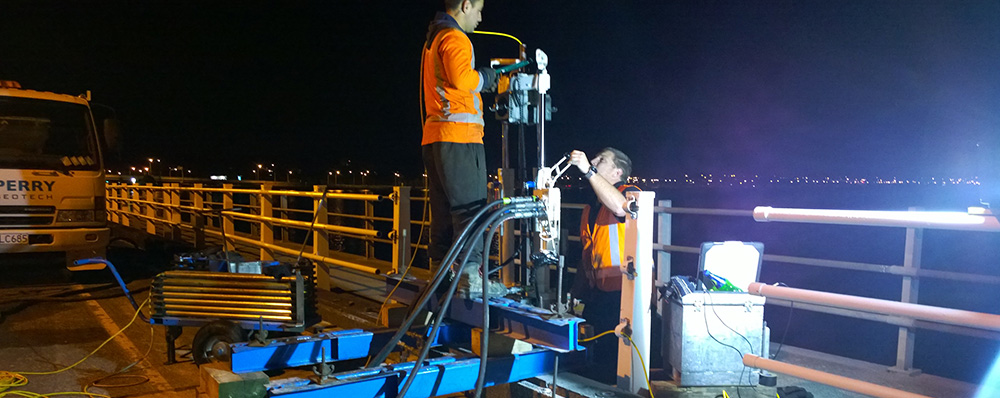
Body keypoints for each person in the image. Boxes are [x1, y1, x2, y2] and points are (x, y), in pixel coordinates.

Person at [421, 0, 501, 297]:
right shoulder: (455, 38)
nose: (480, 18)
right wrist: (489, 78)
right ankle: (470, 279)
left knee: (442, 212)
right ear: (465, 5)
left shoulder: (433, 40)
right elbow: (463, 79)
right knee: (471, 211)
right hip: (460, 138)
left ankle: (438, 276)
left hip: (436, 138)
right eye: (479, 10)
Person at [569, 147, 639, 384]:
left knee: (616, 360)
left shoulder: (630, 194)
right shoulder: (591, 209)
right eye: (594, 159)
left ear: (617, 171)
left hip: (625, 293)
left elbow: (622, 207)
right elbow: (587, 254)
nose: (595, 161)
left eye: (601, 160)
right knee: (592, 355)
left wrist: (588, 170)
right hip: (597, 294)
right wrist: (575, 295)